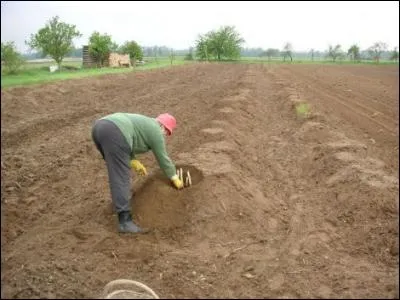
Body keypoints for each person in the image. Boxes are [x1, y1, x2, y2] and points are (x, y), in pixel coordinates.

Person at [91, 112, 184, 234]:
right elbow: (163, 158)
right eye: (167, 132)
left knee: (116, 171)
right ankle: (125, 222)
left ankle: (118, 206)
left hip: (99, 127)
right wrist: (174, 176)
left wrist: (133, 160)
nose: (166, 135)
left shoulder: (146, 124)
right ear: (164, 126)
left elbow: (127, 138)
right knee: (120, 177)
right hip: (114, 131)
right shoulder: (156, 130)